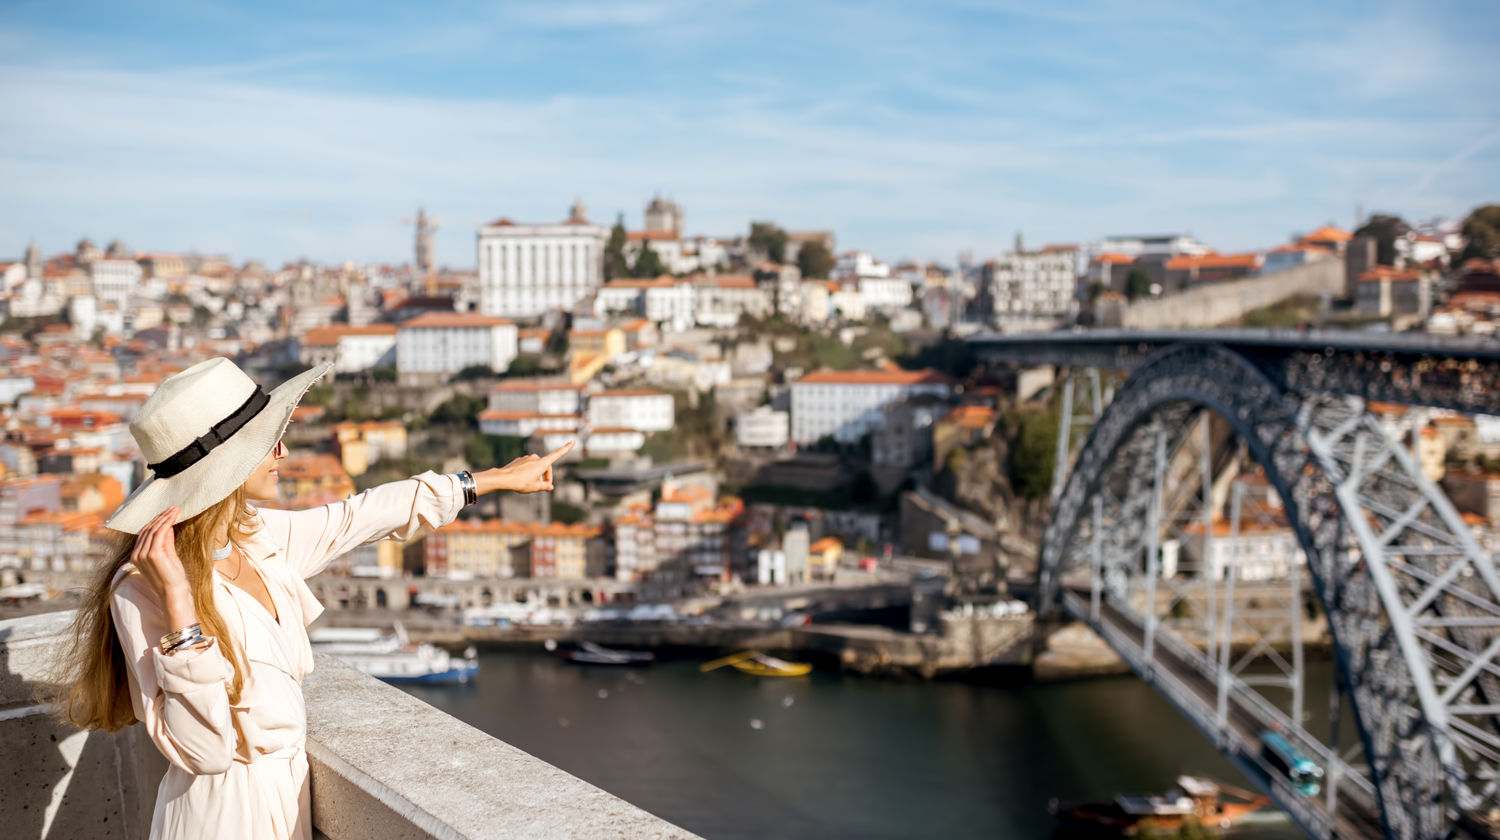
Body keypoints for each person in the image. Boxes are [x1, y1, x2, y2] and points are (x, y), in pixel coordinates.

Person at [49, 357, 572, 839]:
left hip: (287, 806)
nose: (284, 451)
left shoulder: (256, 540)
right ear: (225, 466)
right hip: (216, 821)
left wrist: (492, 480)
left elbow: (361, 515)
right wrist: (180, 601)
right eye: (268, 440)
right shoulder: (140, 587)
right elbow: (205, 751)